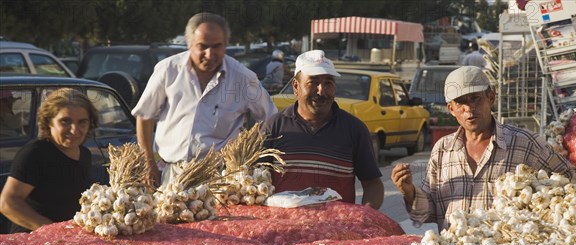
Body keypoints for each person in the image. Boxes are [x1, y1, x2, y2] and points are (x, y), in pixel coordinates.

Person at [391, 66, 576, 231]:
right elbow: (429, 213)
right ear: (451, 109)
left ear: (491, 98)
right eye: (460, 102)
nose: (469, 108)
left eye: (475, 99)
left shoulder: (525, 143)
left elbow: (570, 181)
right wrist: (409, 191)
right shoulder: (442, 150)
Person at [132, 12, 277, 186]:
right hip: (173, 175)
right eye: (203, 46)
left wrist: (249, 156)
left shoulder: (242, 78)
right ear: (189, 42)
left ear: (226, 45)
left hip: (221, 178)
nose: (209, 54)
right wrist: (148, 163)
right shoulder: (168, 70)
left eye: (217, 46)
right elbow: (144, 115)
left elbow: (271, 119)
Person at [263, 50, 384, 209]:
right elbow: (255, 183)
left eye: (328, 83)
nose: (321, 91)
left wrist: (365, 214)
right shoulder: (275, 127)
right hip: (285, 230)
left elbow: (372, 184)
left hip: (337, 229)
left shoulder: (354, 129)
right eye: (313, 82)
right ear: (295, 87)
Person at [0, 88, 98, 233]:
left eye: (82, 122)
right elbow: (8, 202)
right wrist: (53, 230)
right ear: (49, 122)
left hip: (69, 241)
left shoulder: (84, 154)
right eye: (65, 121)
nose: (74, 130)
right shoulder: (36, 153)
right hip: (34, 242)